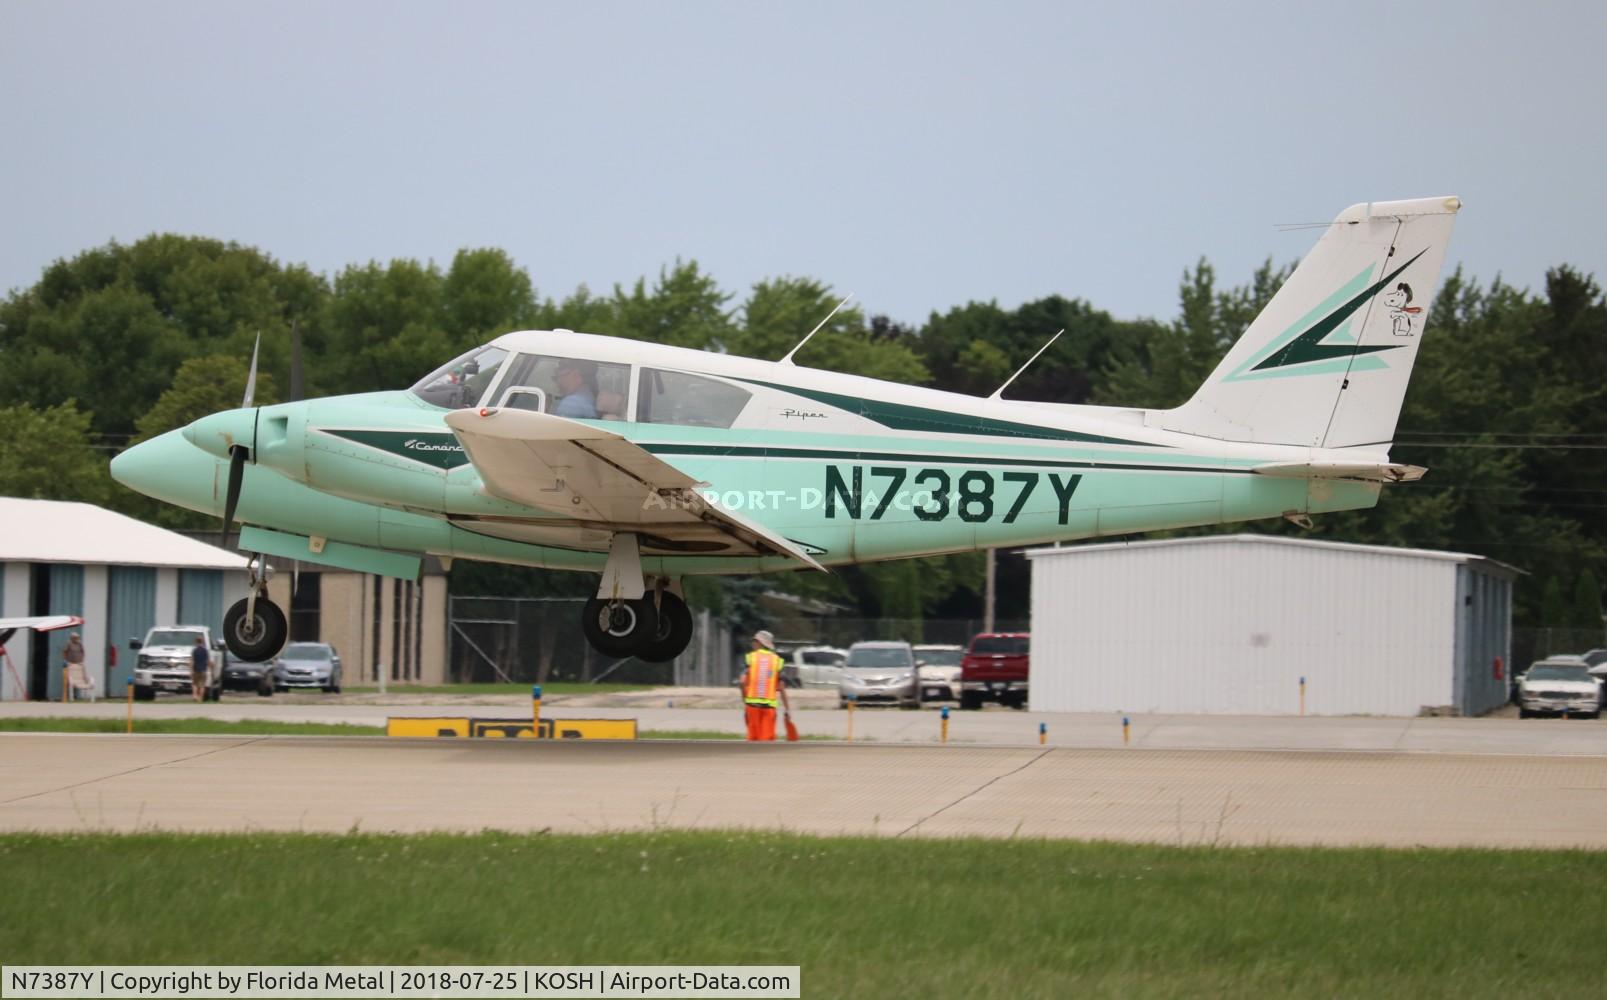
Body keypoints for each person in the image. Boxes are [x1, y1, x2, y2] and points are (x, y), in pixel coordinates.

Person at [737, 629, 791, 741]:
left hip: (752, 707)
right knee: (766, 743)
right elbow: (781, 688)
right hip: (769, 708)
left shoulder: (750, 658)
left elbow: (742, 681)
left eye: (754, 641)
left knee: (752, 740)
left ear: (760, 643)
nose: (752, 643)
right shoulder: (777, 661)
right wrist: (787, 709)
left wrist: (745, 701)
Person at [189, 634, 210, 703]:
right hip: (203, 670)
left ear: (196, 642)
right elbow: (207, 661)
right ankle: (200, 698)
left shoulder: (194, 651)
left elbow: (192, 661)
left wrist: (191, 670)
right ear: (202, 641)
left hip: (196, 670)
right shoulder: (205, 651)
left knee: (194, 684)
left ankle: (195, 695)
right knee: (202, 685)